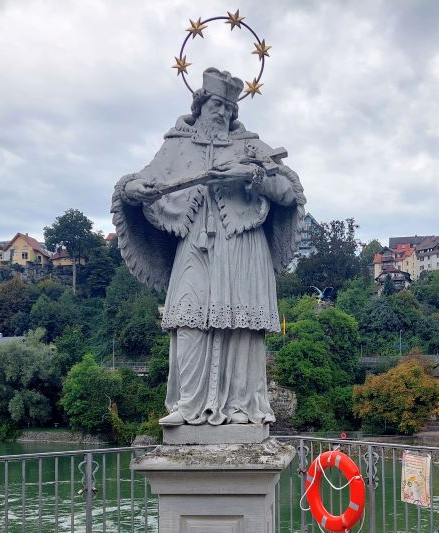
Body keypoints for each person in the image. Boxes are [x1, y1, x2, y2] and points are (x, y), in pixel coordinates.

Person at [113, 67, 305, 427]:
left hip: (243, 245)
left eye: (229, 108)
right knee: (187, 318)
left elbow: (287, 192)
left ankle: (241, 407)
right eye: (216, 104)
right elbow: (141, 180)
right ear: (199, 105)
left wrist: (251, 175)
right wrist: (132, 190)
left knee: (242, 327)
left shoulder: (249, 146)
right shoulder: (177, 146)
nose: (222, 113)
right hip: (195, 246)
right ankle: (189, 405)